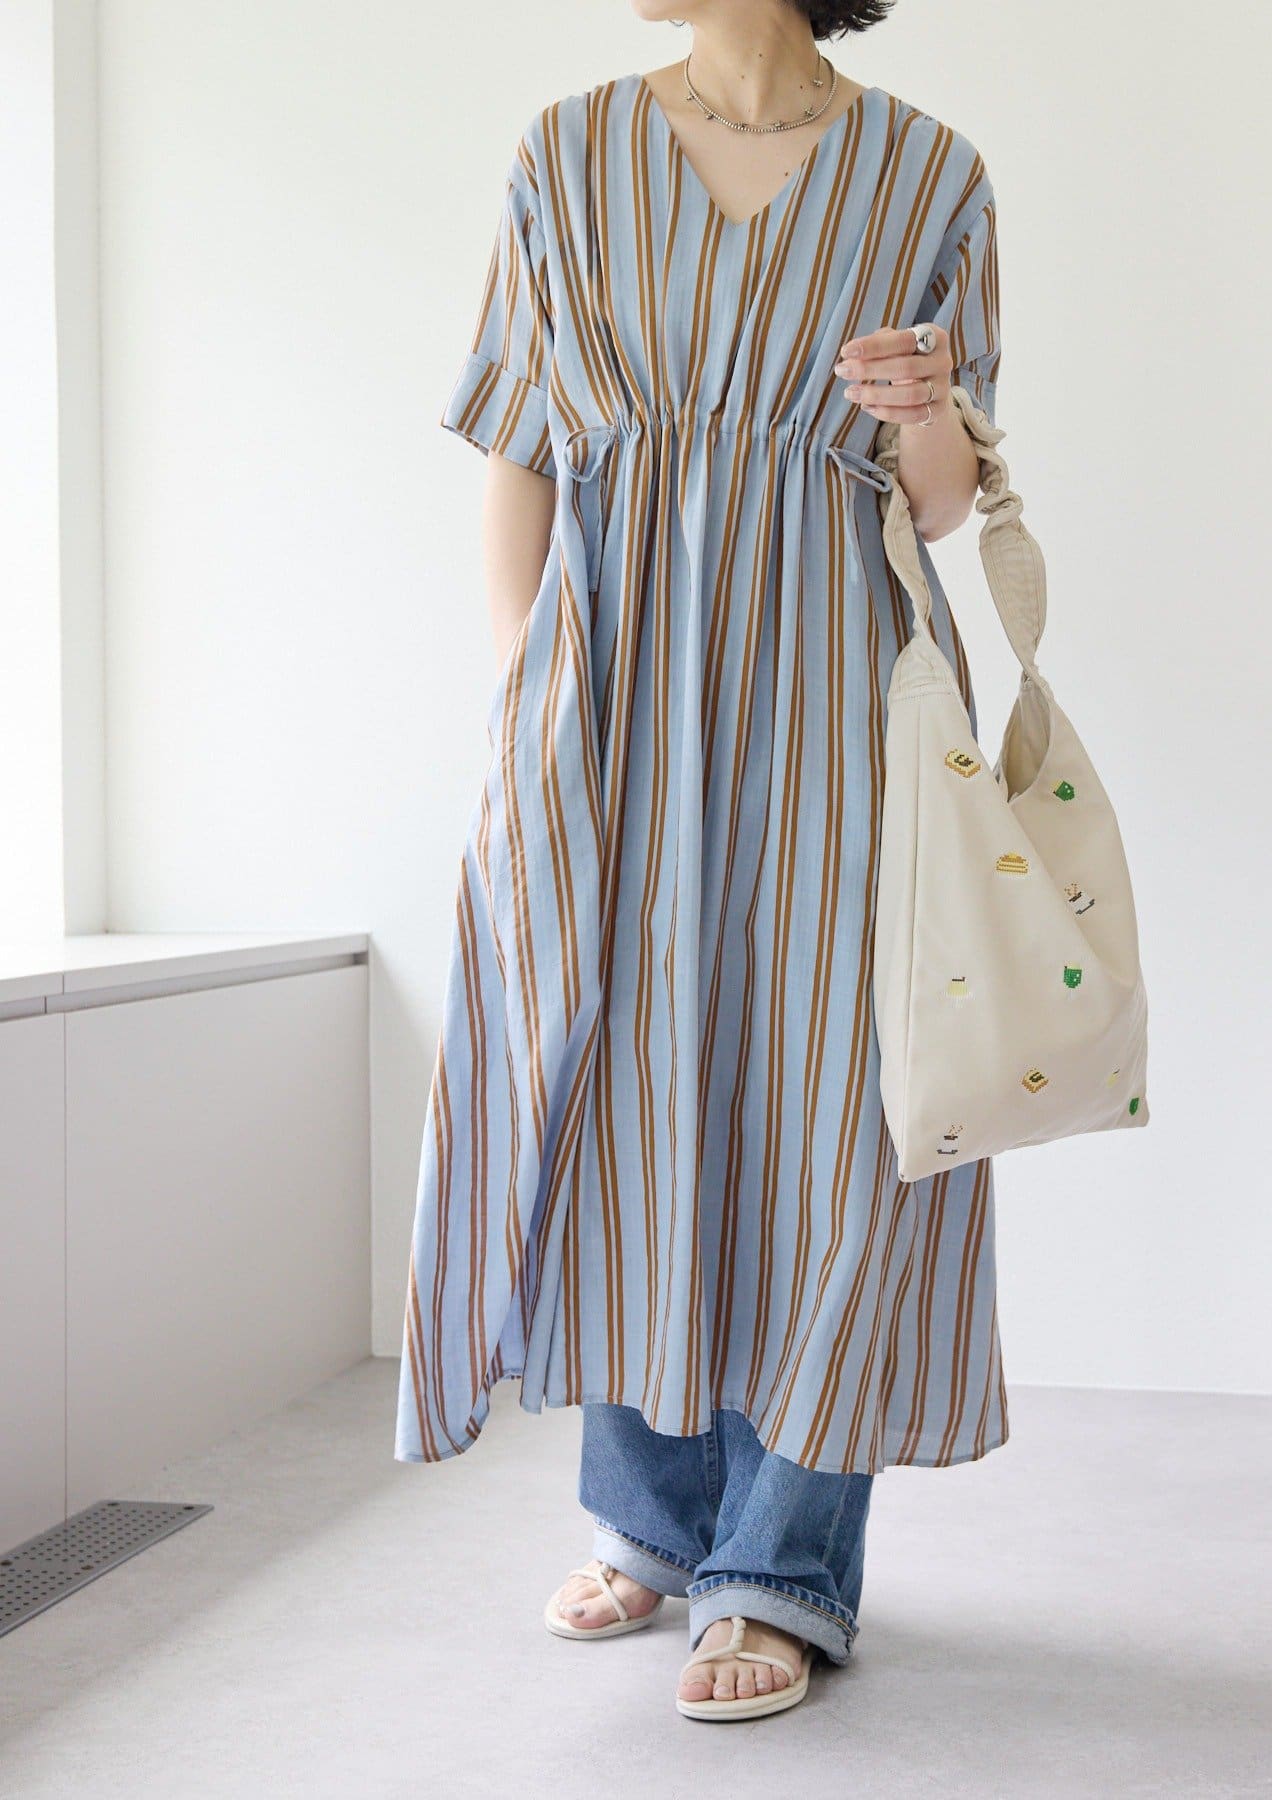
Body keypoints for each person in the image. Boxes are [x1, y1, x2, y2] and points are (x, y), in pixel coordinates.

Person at [396, 0, 1007, 1722]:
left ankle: (781, 1566)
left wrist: (922, 408)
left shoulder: (928, 173)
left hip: (838, 702)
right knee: (626, 1091)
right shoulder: (569, 152)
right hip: (612, 694)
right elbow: (521, 444)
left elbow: (942, 500)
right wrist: (526, 700)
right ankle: (654, 1526)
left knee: (833, 1115)